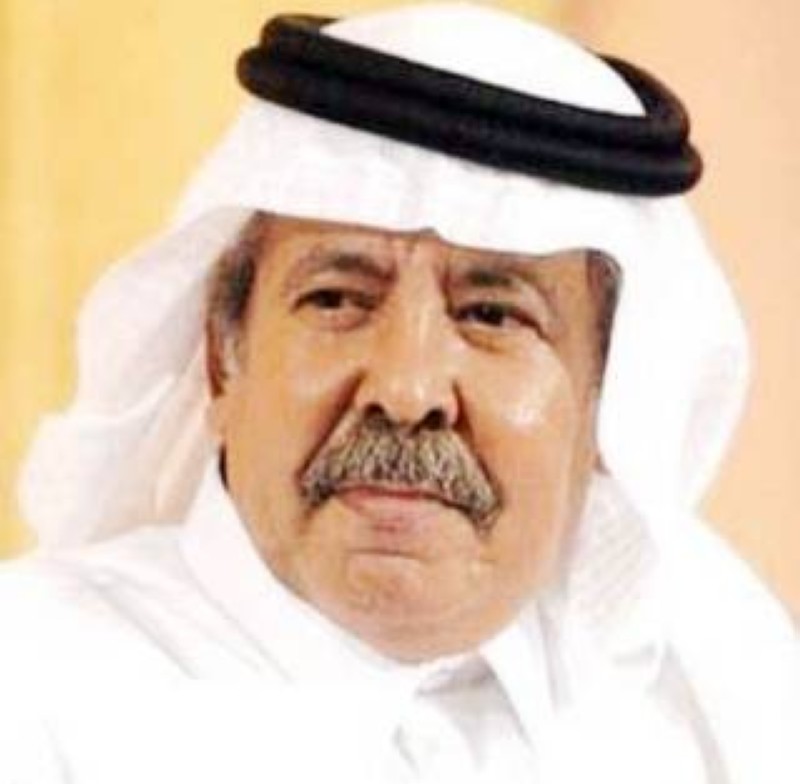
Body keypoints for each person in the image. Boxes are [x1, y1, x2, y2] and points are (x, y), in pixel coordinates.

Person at [1, 4, 797, 782]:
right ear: (222, 361)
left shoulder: (716, 711)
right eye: (337, 300)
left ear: (605, 405)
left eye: (493, 315)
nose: (407, 390)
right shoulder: (33, 688)